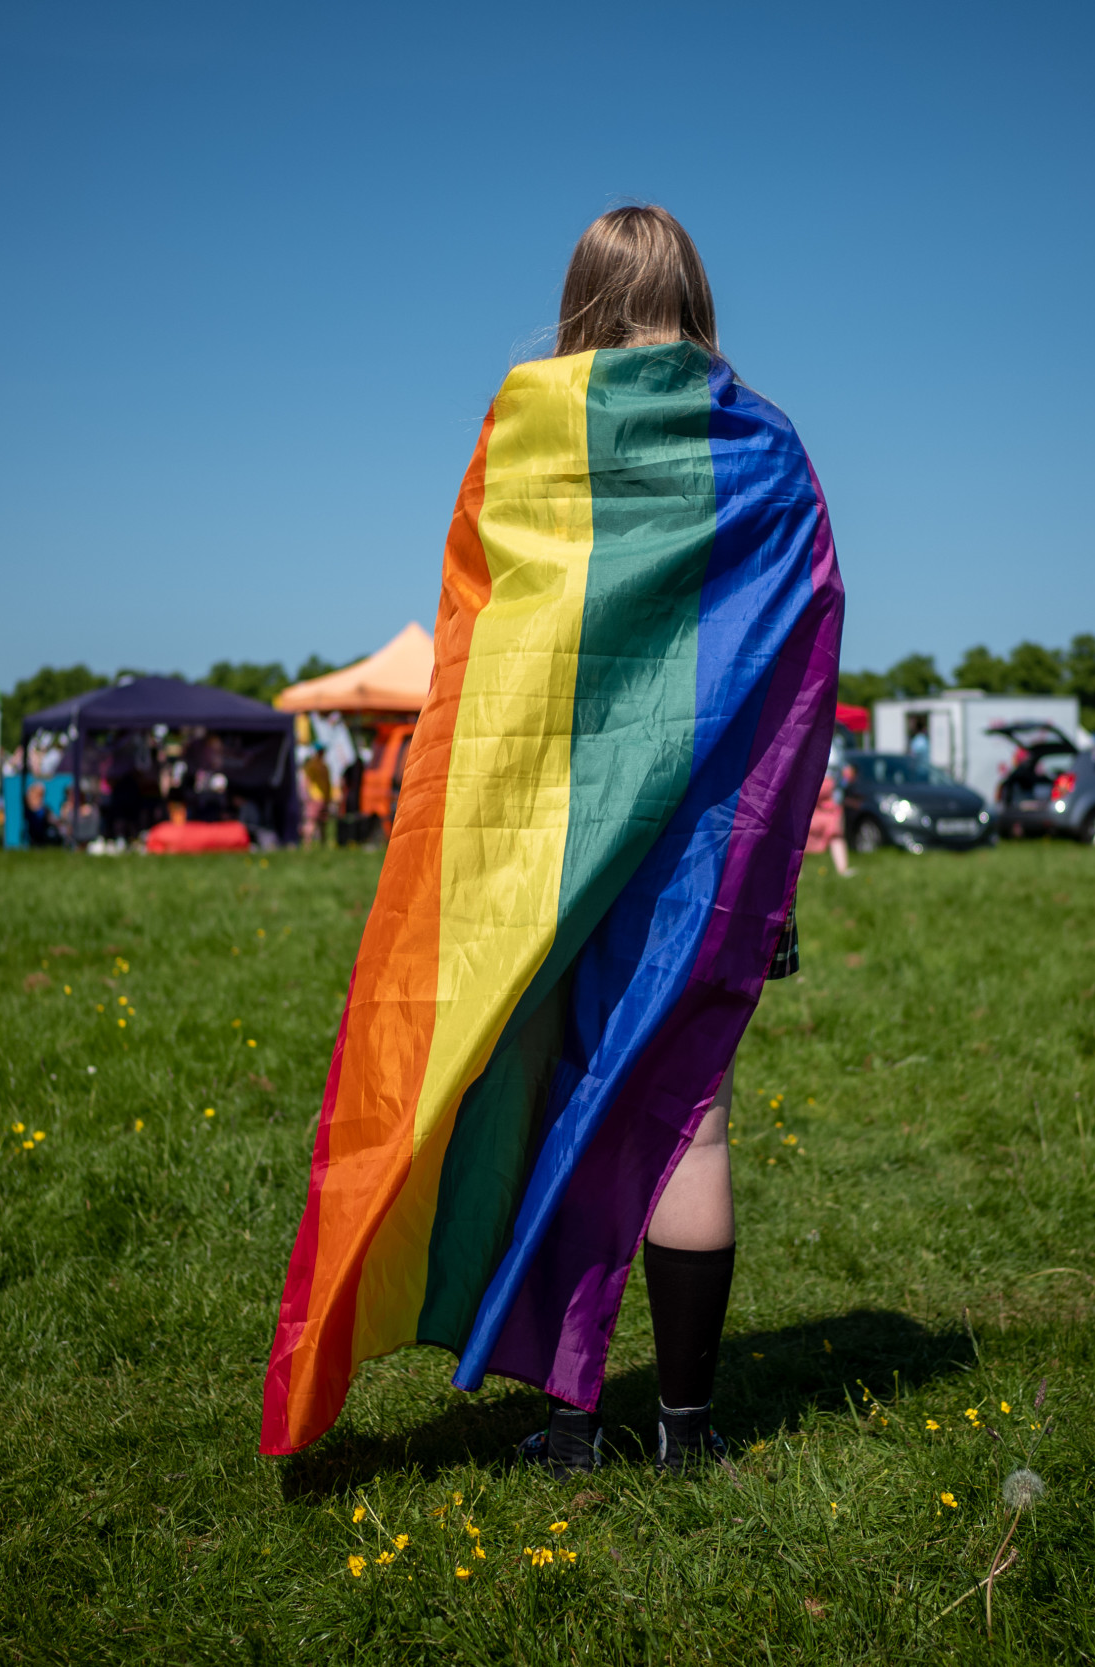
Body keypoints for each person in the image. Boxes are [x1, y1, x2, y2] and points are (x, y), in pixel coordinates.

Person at [261, 205, 841, 1477]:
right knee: (694, 1120)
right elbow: (801, 642)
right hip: (709, 848)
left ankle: (577, 1421)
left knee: (550, 1087)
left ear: (579, 300)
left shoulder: (531, 435)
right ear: (694, 296)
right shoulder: (767, 448)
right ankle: (686, 1432)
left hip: (549, 844)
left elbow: (485, 642)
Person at [807, 760, 853, 877]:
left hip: (830, 797)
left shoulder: (836, 746)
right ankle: (795, 872)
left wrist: (843, 781)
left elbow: (844, 771)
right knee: (799, 834)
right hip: (809, 787)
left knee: (835, 833)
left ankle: (843, 869)